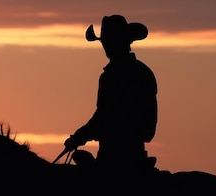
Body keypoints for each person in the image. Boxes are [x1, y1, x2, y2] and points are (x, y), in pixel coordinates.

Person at [64, 15, 158, 174]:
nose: (106, 46)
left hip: (114, 156)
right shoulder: (143, 72)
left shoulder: (112, 76)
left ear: (123, 41)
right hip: (136, 152)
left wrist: (79, 137)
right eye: (105, 42)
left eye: (109, 41)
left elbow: (105, 115)